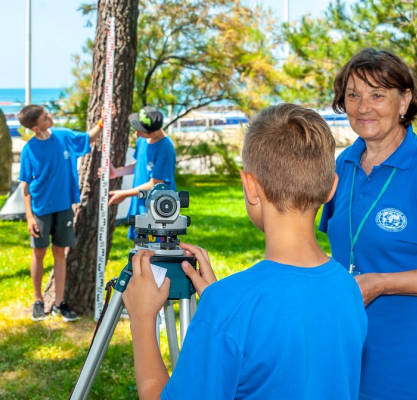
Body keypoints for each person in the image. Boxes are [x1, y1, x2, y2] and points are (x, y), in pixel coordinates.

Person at [122, 103, 368, 399]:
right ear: (332, 188)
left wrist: (141, 318)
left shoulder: (229, 306)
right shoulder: (348, 287)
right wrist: (223, 300)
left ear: (250, 186)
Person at [319, 48, 417, 399]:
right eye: (353, 95)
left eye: (377, 95)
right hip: (351, 350)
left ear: (404, 101)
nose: (362, 106)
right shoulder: (344, 164)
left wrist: (382, 283)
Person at [18, 104, 102, 322]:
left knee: (60, 254)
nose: (50, 117)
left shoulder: (63, 136)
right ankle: (38, 300)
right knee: (39, 253)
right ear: (36, 128)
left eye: (48, 114)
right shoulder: (29, 150)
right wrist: (29, 217)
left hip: (64, 207)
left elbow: (88, 139)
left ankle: (59, 303)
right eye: (45, 118)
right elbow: (25, 187)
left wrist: (103, 121)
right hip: (40, 211)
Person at [107, 106, 176, 241]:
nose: (136, 134)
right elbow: (140, 164)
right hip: (139, 203)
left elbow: (154, 184)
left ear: (154, 133)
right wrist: (116, 172)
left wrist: (124, 194)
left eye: (140, 131)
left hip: (157, 209)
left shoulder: (165, 149)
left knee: (153, 252)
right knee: (138, 247)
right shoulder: (143, 140)